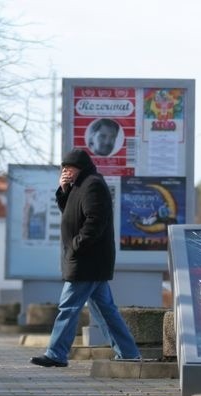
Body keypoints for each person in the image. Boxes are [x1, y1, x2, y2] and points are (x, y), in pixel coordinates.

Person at [30, 148, 141, 367]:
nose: (65, 172)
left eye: (68, 168)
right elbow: (70, 213)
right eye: (63, 169)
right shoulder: (79, 186)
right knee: (105, 311)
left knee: (68, 306)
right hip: (87, 260)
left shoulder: (92, 185)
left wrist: (77, 244)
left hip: (87, 260)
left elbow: (95, 220)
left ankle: (56, 353)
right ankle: (128, 353)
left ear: (79, 167)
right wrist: (63, 190)